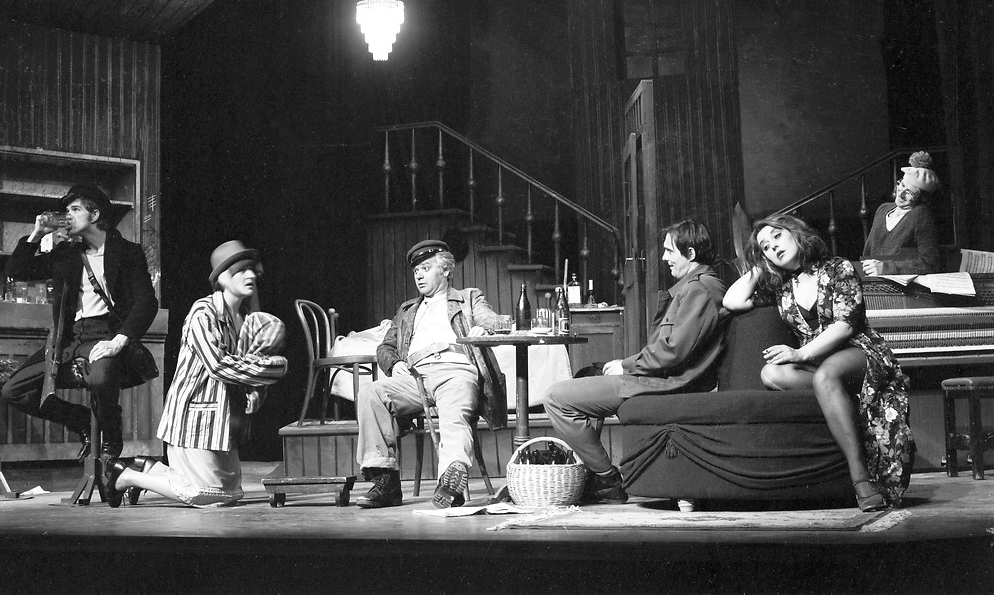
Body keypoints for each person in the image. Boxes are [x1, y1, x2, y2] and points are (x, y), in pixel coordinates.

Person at [724, 214, 914, 511]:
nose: (773, 247)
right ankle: (842, 400)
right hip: (821, 365)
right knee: (771, 373)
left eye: (777, 236)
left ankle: (860, 479)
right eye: (765, 247)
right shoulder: (782, 287)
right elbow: (731, 300)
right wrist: (761, 265)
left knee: (826, 375)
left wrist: (800, 354)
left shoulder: (838, 267)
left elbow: (845, 326)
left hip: (858, 352)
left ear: (795, 233)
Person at [543, 219, 728, 504]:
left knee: (556, 397)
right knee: (586, 375)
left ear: (690, 254)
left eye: (669, 251)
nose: (664, 258)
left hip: (665, 385)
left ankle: (606, 479)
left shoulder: (700, 289)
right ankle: (596, 474)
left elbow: (673, 352)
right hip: (658, 378)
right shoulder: (694, 287)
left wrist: (626, 365)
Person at [104, 241, 288, 508]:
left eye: (251, 269)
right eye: (241, 270)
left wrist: (257, 386)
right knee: (206, 495)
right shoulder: (203, 312)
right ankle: (128, 476)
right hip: (194, 418)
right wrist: (274, 368)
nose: (251, 275)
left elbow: (250, 362)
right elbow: (218, 365)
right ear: (222, 278)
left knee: (231, 494)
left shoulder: (246, 318)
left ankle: (149, 468)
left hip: (221, 422)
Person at [0, 183, 158, 462]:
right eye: (66, 210)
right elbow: (17, 270)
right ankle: (82, 420)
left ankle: (111, 435)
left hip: (106, 334)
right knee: (11, 391)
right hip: (69, 339)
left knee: (99, 377)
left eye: (75, 209)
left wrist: (118, 341)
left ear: (94, 215)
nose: (67, 215)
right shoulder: (67, 253)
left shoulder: (128, 252)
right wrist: (37, 234)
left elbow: (146, 302)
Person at [355, 239, 506, 509]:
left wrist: (485, 329)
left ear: (446, 270)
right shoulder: (407, 310)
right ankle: (386, 482)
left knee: (454, 412)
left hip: (455, 370)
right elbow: (385, 347)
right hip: (414, 376)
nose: (419, 276)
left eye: (425, 268)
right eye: (416, 271)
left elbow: (492, 321)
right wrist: (393, 364)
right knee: (370, 393)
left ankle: (449, 483)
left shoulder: (468, 298)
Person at [861, 151, 942, 275]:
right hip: (871, 279)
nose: (901, 193)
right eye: (901, 184)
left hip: (897, 284)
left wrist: (887, 268)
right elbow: (867, 253)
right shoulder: (883, 209)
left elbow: (930, 263)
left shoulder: (921, 215)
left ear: (922, 198)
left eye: (909, 192)